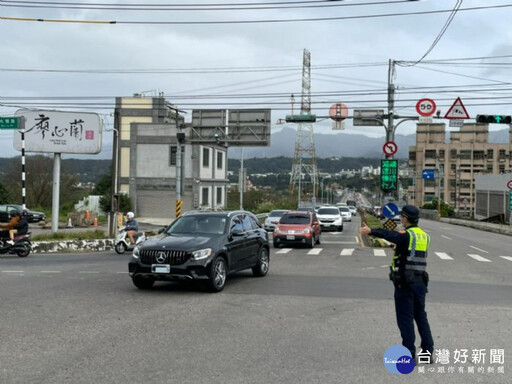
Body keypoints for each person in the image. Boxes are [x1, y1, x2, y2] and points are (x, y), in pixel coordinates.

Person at [360, 204, 434, 362]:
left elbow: (390, 235)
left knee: (405, 318)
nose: (401, 219)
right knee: (421, 317)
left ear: (405, 218)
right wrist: (398, 247)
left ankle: (409, 354)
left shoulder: (406, 235)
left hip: (405, 284)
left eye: (402, 216)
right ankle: (427, 353)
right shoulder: (424, 236)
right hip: (421, 282)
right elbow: (412, 253)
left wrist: (370, 230)